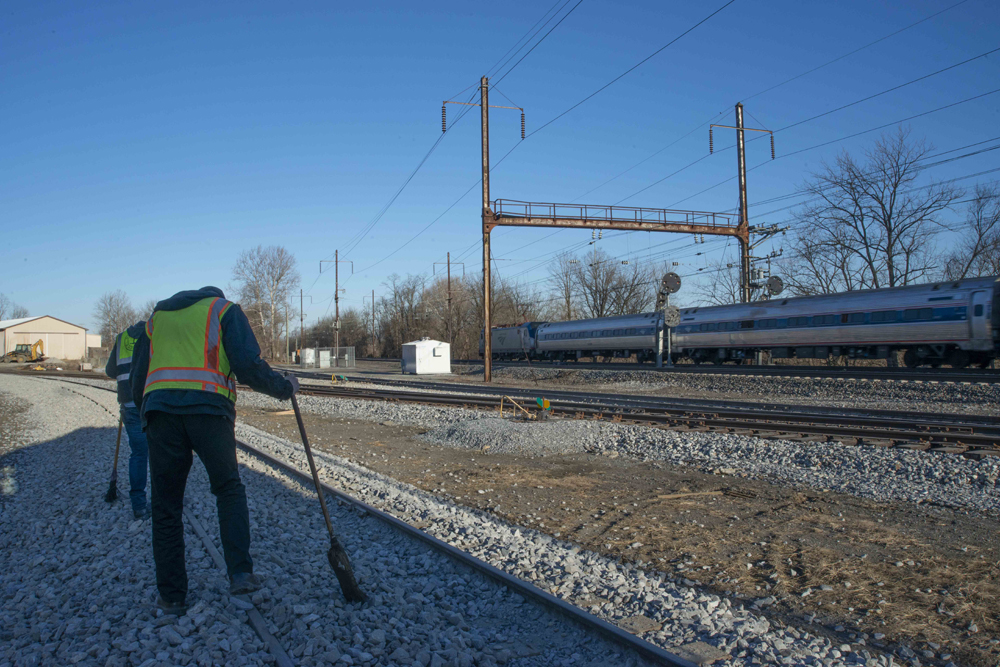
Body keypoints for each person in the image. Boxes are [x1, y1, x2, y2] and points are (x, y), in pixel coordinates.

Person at [130, 286, 299, 615]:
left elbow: (139, 380)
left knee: (165, 506)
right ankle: (240, 573)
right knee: (228, 489)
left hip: (161, 414)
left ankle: (172, 597)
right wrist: (284, 388)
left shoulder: (157, 319)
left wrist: (147, 415)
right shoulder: (223, 310)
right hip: (209, 413)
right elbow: (249, 366)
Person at [105, 322, 151, 520]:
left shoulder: (122, 337)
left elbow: (109, 371)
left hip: (129, 403)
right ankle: (165, 500)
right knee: (160, 452)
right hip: (150, 401)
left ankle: (139, 506)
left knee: (139, 454)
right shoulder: (152, 334)